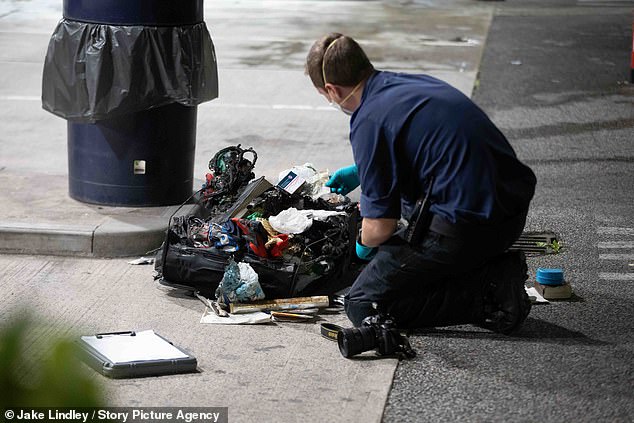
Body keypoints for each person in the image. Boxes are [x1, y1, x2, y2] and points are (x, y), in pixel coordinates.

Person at [305, 33, 537, 334]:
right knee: (403, 240)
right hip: (511, 211)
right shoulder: (407, 84)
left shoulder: (367, 120)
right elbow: (423, 146)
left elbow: (380, 229)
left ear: (332, 90)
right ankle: (475, 270)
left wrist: (362, 247)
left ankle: (490, 293)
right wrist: (363, 170)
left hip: (469, 227)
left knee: (363, 303)